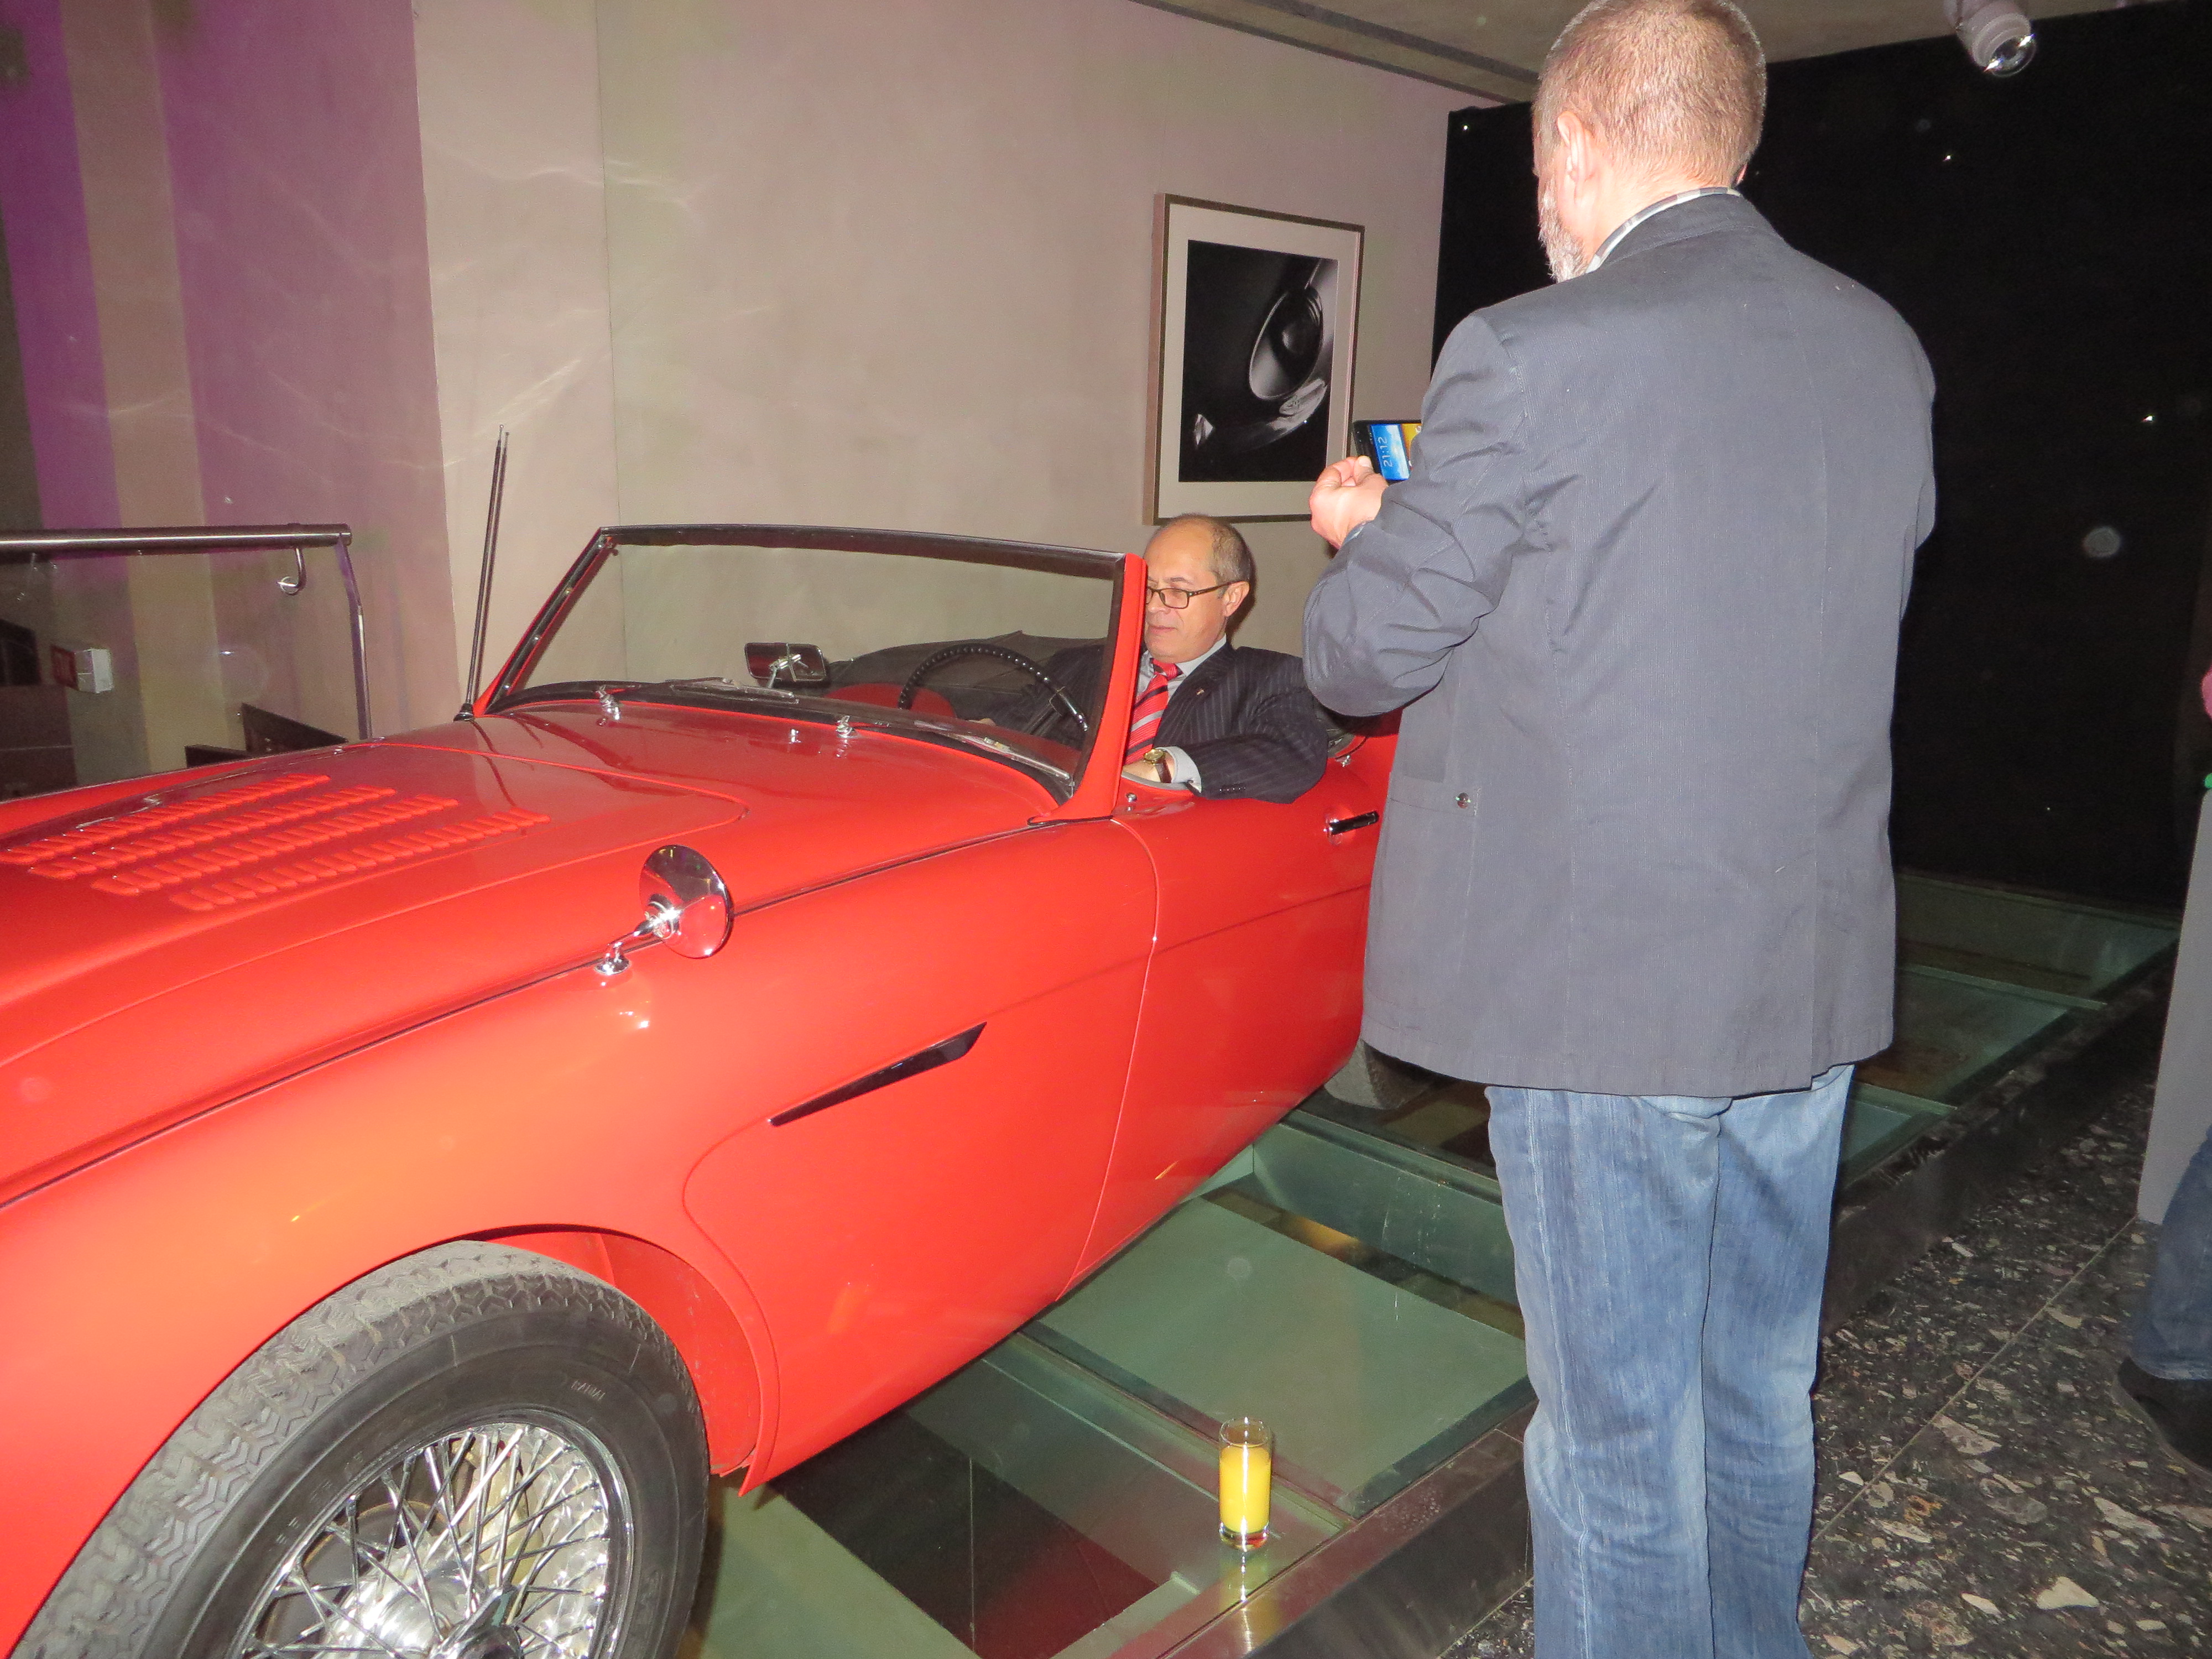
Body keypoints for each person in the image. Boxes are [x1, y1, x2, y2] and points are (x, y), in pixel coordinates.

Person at [1301, 3, 1934, 1656]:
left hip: (1605, 993)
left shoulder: (1530, 354)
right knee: (1753, 1388)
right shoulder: (1878, 344)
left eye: (1538, 172)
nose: (1542, 208)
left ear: (1574, 146)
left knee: (1615, 1440)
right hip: (1802, 973)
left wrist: (1371, 538)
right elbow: (1707, 606)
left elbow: (1359, 662)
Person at [1029, 514, 1329, 804]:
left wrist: (1162, 766)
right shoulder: (1079, 665)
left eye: (1178, 591)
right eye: (1148, 587)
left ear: (1231, 598)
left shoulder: (1270, 679)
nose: (1154, 607)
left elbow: (1292, 753)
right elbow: (1011, 735)